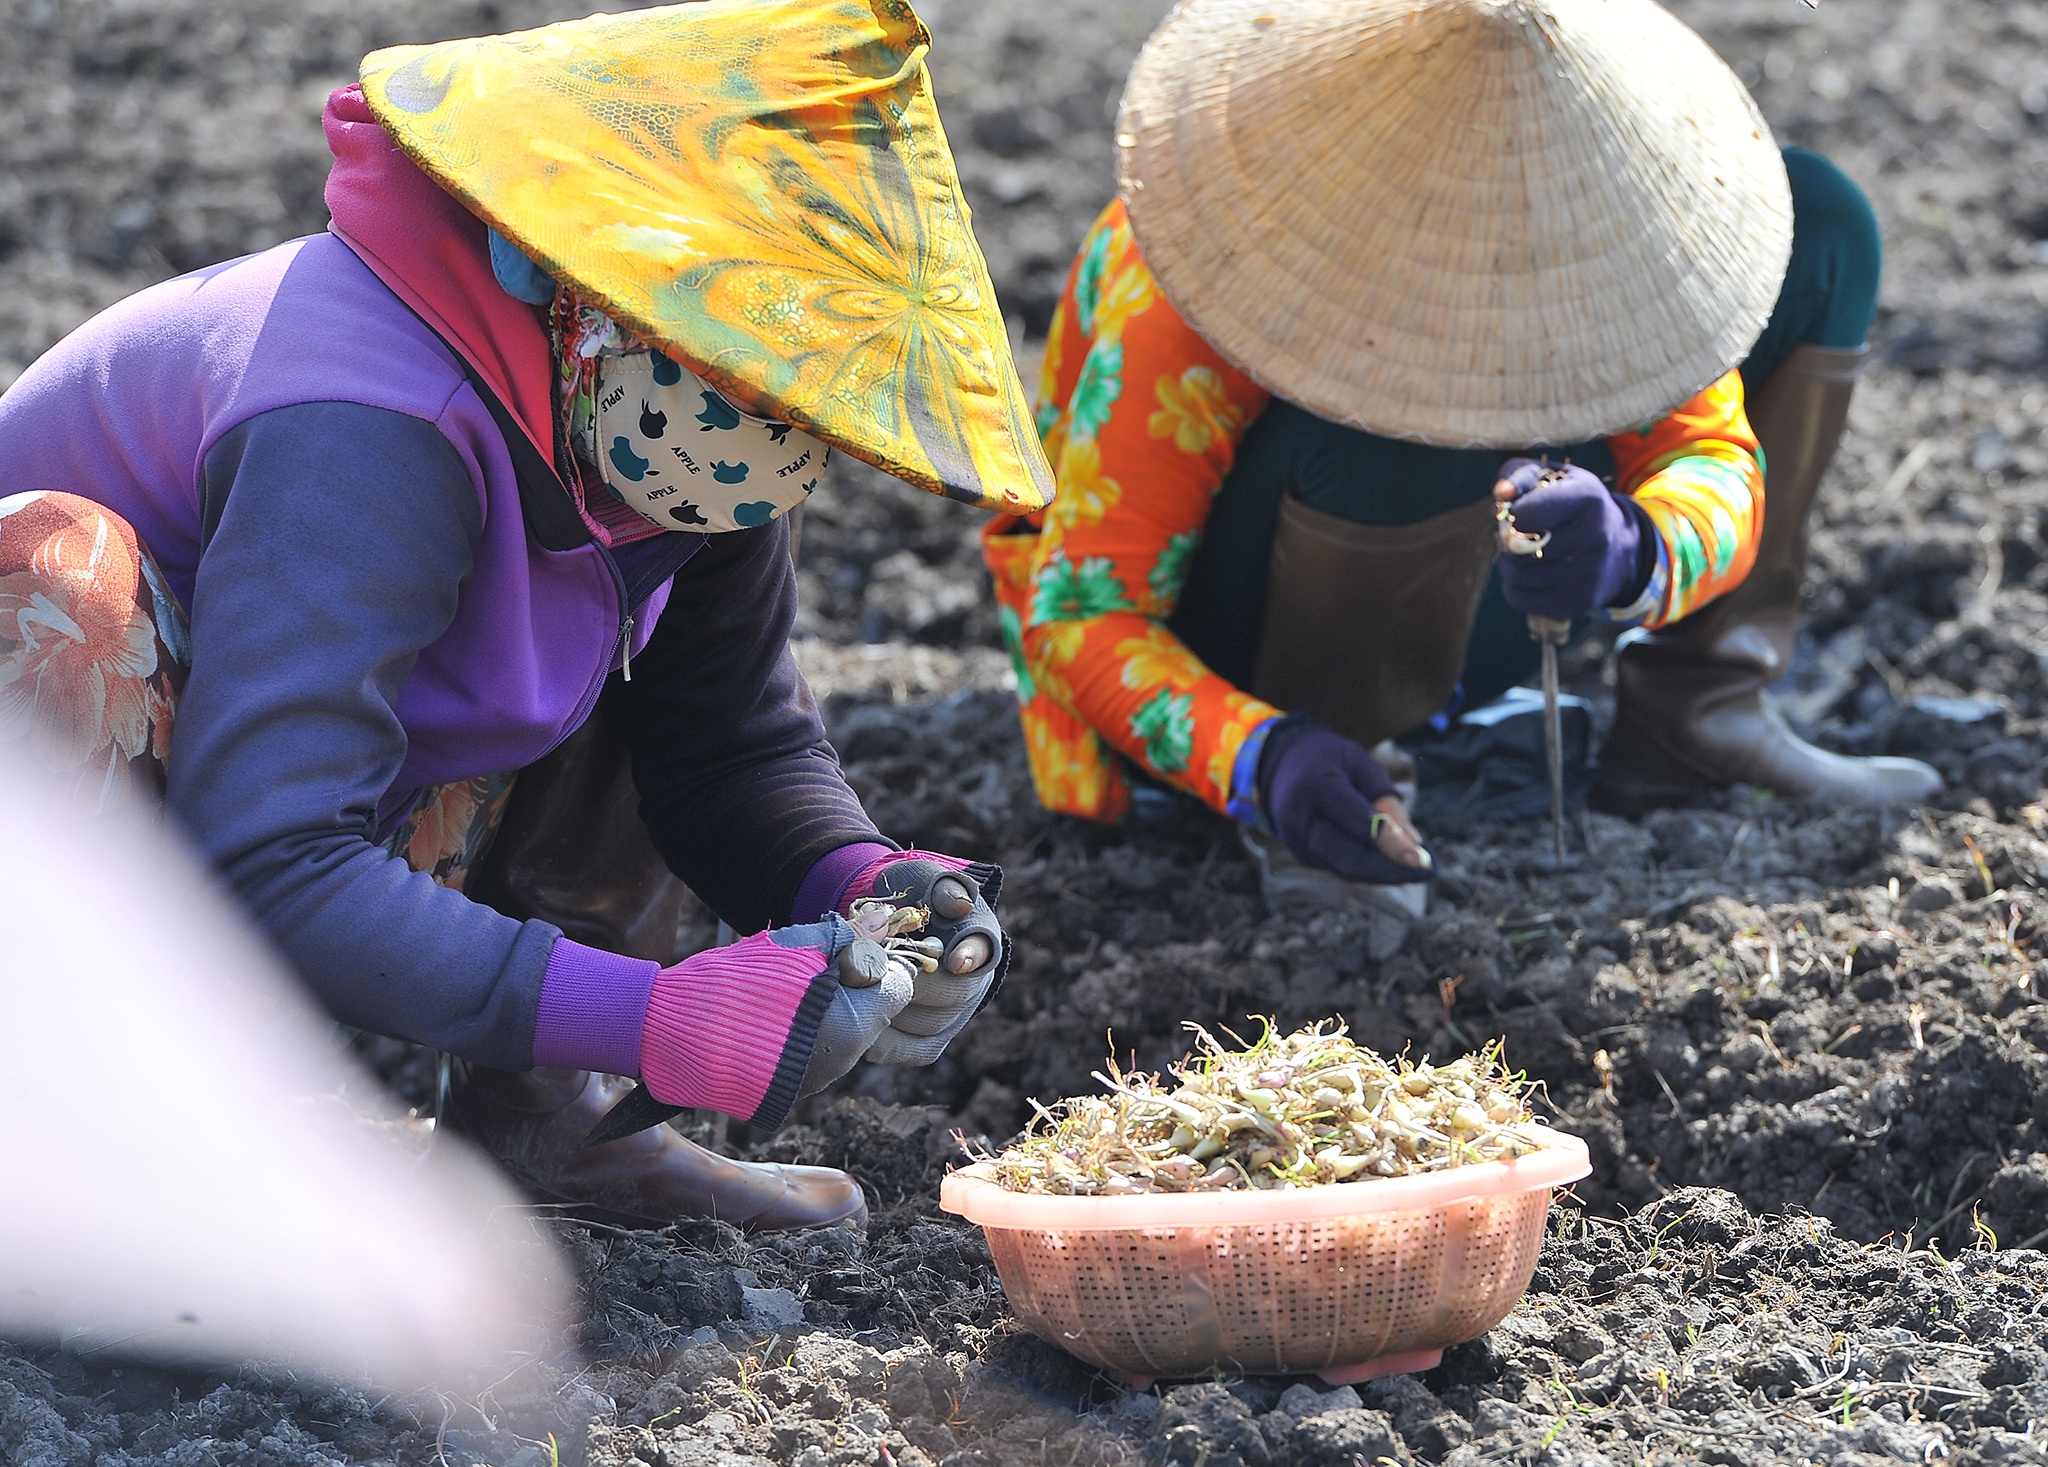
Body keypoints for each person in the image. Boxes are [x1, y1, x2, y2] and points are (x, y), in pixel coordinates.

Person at [0, 1, 1052, 1232]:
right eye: (736, 368)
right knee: (56, 585)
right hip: (108, 842)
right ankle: (74, 1152)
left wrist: (870, 881)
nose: (771, 434)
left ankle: (547, 1124)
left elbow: (725, 746)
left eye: (803, 404)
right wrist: (654, 1018)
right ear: (578, 288)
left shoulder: (678, 445)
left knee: (596, 630)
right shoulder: (367, 423)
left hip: (280, 806)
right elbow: (270, 849)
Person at [983, 0, 1939, 902]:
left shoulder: (1613, 215)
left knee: (1820, 220)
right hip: (1225, 662)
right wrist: (1260, 756)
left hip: (1469, 591)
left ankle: (1697, 713)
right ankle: (1343, 790)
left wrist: (1640, 548)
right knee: (1398, 417)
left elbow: (1711, 458)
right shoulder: (1203, 262)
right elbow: (1084, 616)